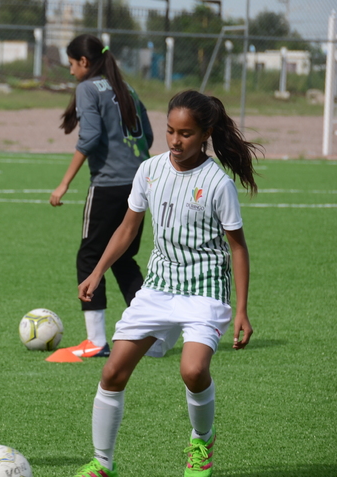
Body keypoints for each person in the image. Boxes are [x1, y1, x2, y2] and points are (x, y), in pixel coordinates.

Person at [72, 90, 259, 477]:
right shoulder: (150, 169)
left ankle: (201, 440)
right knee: (112, 373)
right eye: (171, 131)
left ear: (205, 133)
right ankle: (102, 463)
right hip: (158, 286)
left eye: (186, 134)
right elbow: (128, 228)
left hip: (204, 289)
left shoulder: (217, 183)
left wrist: (241, 309)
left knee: (192, 371)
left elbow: (237, 248)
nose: (175, 141)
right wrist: (97, 271)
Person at [49, 34, 153, 358]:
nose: (70, 72)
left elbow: (90, 136)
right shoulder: (128, 89)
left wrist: (64, 182)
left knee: (90, 257)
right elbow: (147, 136)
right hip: (139, 183)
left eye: (71, 64)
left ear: (84, 62)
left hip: (108, 185)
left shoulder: (87, 88)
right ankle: (152, 338)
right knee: (123, 258)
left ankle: (95, 341)